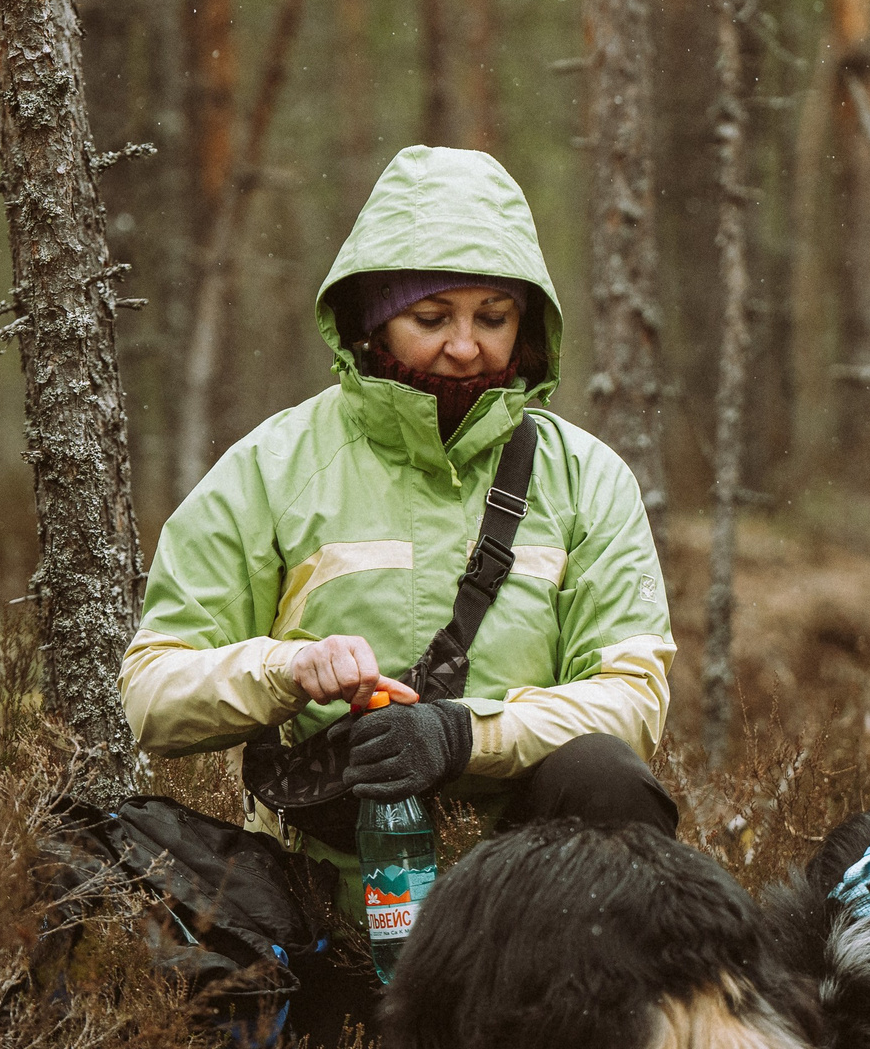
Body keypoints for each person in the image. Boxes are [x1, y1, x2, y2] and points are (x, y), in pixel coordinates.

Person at [121, 146, 677, 931]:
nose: (465, 346)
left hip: (534, 904)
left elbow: (632, 698)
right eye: (431, 317)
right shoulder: (273, 467)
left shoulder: (587, 478)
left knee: (605, 777)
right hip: (327, 899)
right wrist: (288, 668)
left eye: (493, 317)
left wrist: (463, 735)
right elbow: (152, 695)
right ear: (373, 317)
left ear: (527, 326)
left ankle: (586, 1024)